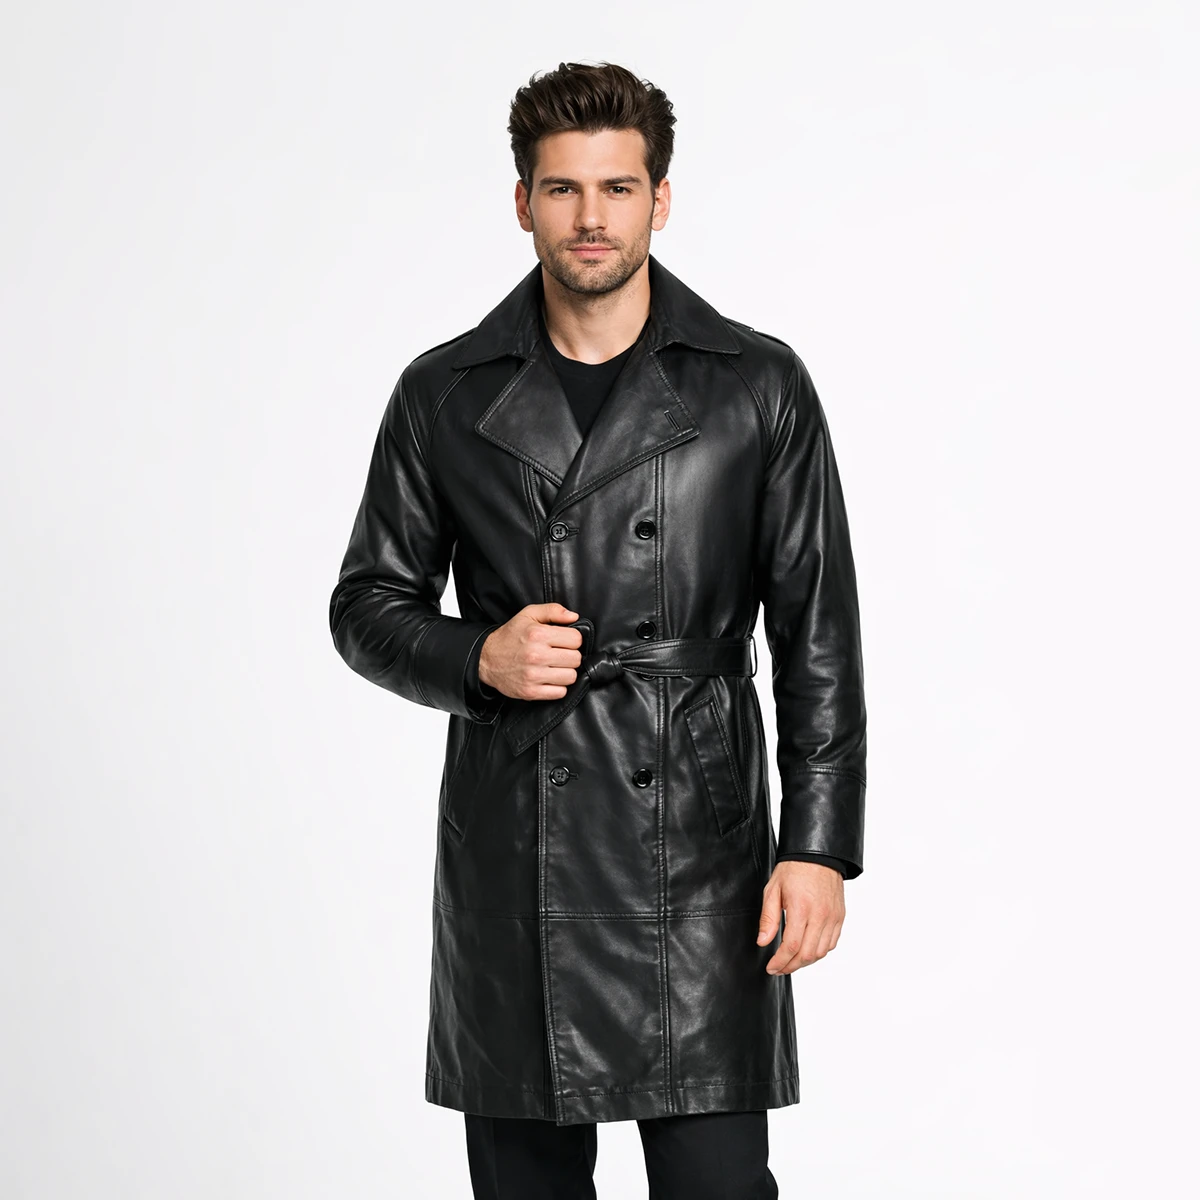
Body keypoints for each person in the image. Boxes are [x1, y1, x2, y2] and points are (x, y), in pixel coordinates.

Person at [329, 60, 867, 1200]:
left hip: (702, 853)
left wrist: (817, 848)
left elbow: (816, 632)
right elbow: (366, 603)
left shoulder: (755, 383)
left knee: (720, 1184)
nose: (590, 218)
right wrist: (478, 655)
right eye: (563, 189)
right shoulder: (444, 391)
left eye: (617, 189)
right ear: (522, 201)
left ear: (659, 200)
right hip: (518, 841)